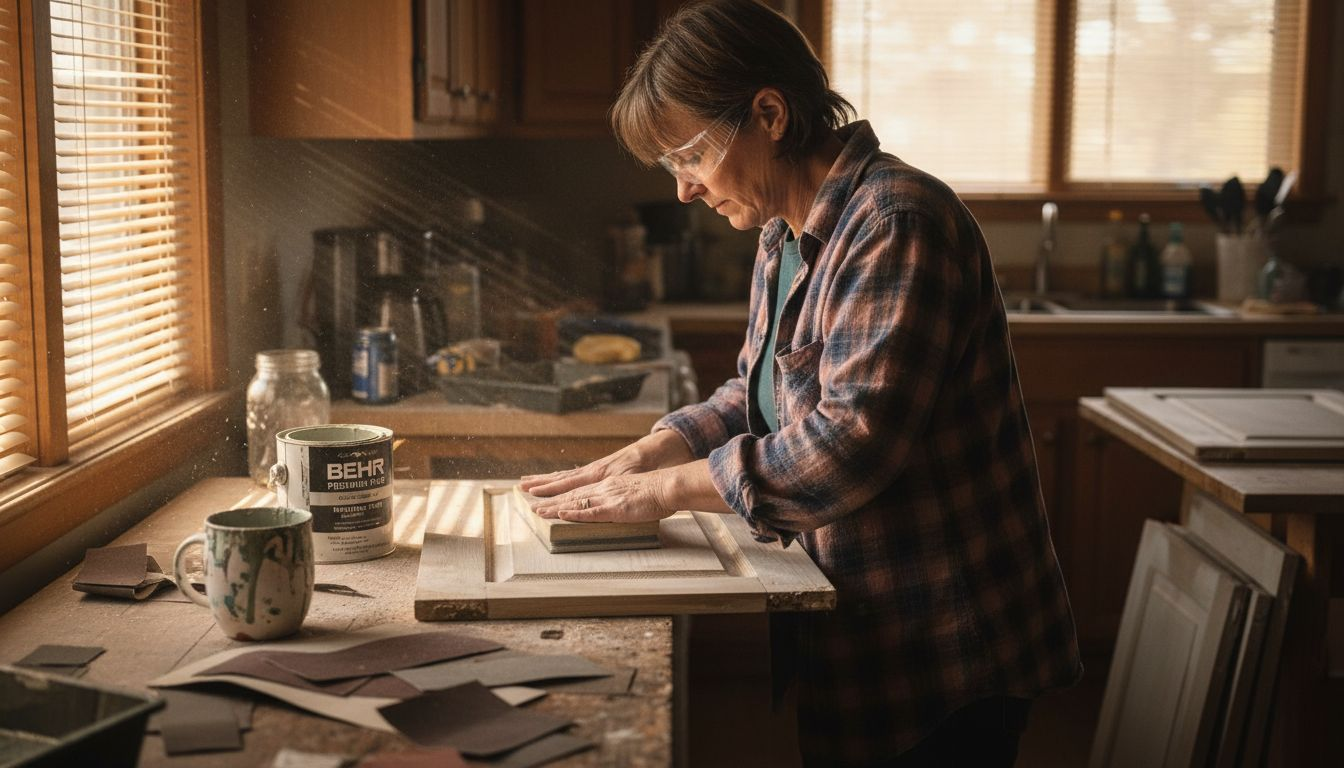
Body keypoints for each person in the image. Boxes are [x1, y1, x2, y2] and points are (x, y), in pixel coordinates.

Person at [521, 1, 1082, 765]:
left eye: (691, 155)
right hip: (862, 632)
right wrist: (653, 451)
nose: (684, 190)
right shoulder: (781, 231)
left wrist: (664, 492)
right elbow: (758, 393)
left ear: (770, 115)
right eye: (672, 167)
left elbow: (847, 446)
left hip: (947, 647)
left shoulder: (895, 222)